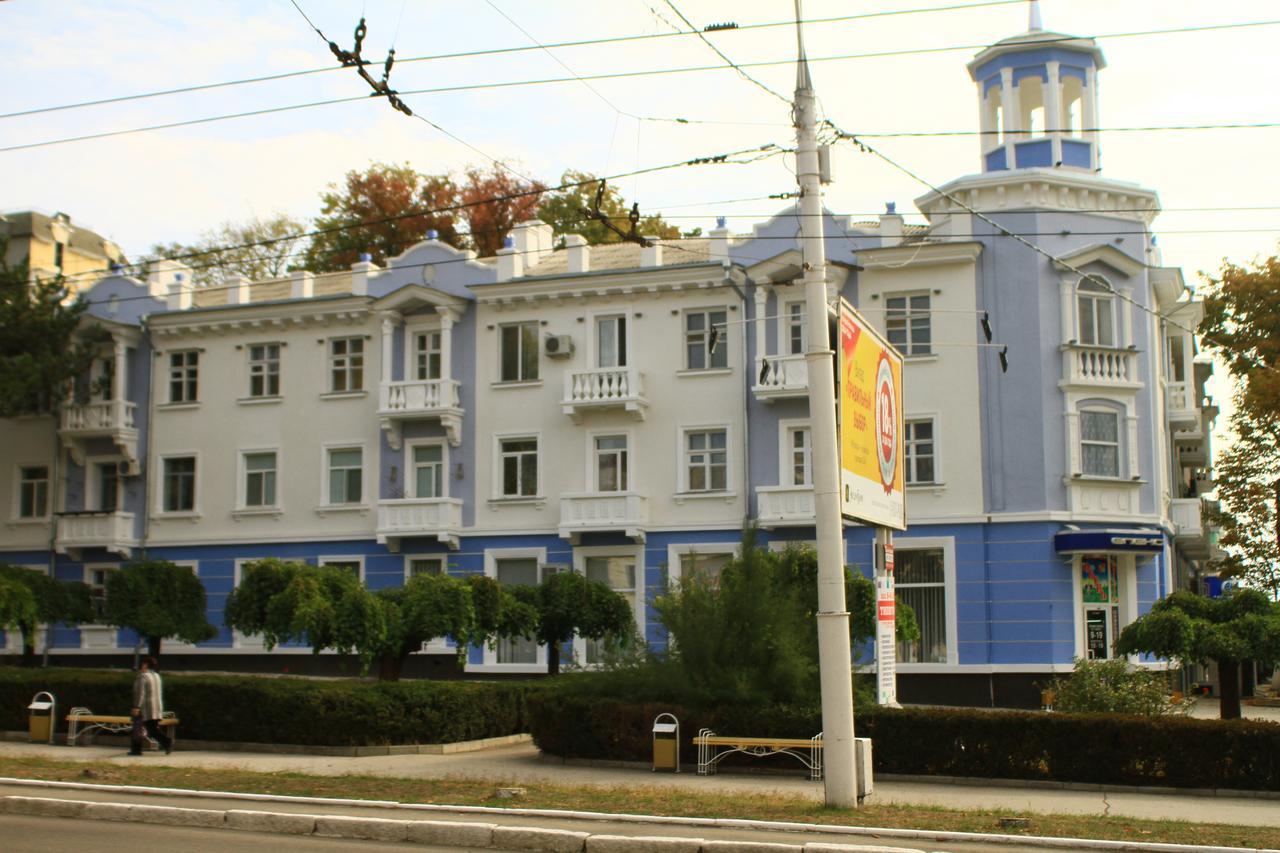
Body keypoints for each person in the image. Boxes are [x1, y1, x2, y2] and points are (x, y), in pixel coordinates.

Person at [129, 656, 173, 755]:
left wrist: (136, 707)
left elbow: (140, 693)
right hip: (156, 708)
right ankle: (165, 742)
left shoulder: (143, 676)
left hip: (145, 708)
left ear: (145, 664)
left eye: (142, 664)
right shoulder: (156, 676)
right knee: (151, 729)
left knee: (138, 728)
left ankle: (166, 742)